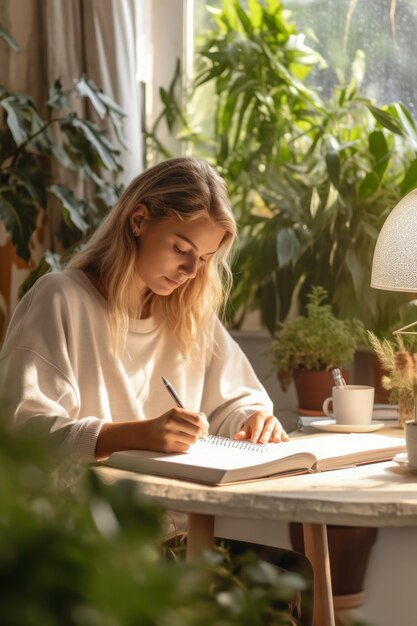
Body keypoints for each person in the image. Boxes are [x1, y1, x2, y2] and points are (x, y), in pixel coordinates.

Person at [0, 157, 289, 461]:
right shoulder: (60, 298)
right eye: (180, 249)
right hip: (87, 507)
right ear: (138, 220)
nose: (191, 270)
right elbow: (22, 429)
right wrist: (140, 435)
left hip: (170, 501)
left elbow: (236, 399)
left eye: (204, 258)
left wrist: (252, 419)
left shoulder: (189, 312)